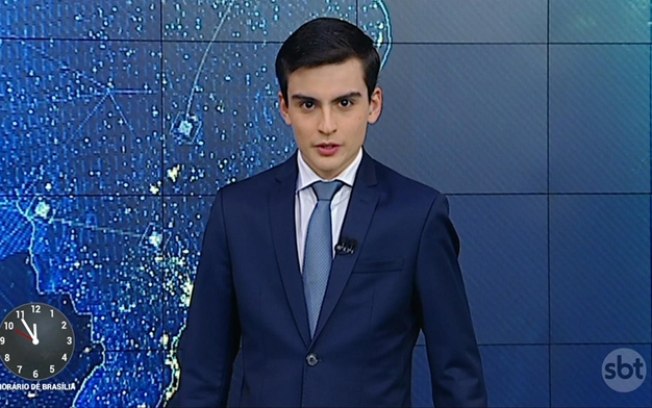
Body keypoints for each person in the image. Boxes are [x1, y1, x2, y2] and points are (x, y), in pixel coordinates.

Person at [169, 17, 487, 408]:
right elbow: (203, 373)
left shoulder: (417, 215)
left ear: (373, 105)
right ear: (284, 107)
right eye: (308, 105)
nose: (327, 125)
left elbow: (456, 375)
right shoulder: (237, 213)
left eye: (345, 103)